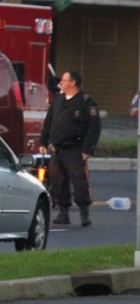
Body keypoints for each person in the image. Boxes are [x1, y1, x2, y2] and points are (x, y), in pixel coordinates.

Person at [39, 71, 101, 227]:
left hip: (74, 148)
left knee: (79, 180)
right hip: (57, 148)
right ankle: (63, 212)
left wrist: (87, 150)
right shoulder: (58, 100)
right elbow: (49, 122)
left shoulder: (86, 102)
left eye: (64, 80)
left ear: (72, 83)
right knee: (57, 181)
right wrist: (43, 142)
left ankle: (84, 212)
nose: (61, 83)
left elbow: (94, 128)